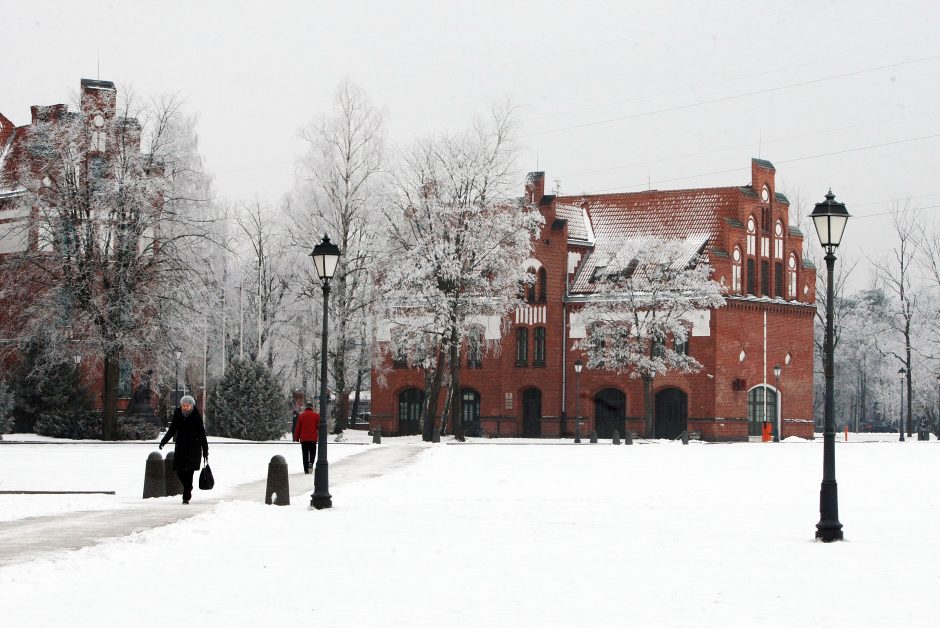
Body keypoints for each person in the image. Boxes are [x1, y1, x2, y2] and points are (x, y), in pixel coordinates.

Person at [159, 395, 209, 504]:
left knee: (189, 472)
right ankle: (188, 487)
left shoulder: (196, 417)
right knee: (179, 471)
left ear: (191, 405)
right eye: (183, 405)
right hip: (181, 447)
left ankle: (186, 497)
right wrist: (164, 441)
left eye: (187, 405)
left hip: (193, 448)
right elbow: (172, 429)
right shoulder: (177, 414)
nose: (185, 407)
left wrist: (205, 449)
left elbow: (202, 434)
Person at [293, 402, 319, 474]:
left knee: (305, 454)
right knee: (312, 452)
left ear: (305, 408)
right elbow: (319, 427)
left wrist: (296, 438)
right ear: (312, 408)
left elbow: (298, 427)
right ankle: (311, 463)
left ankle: (306, 469)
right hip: (313, 439)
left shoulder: (301, 416)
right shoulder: (316, 416)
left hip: (304, 439)